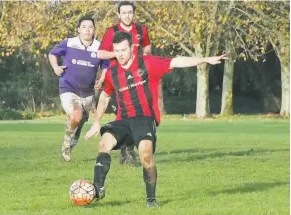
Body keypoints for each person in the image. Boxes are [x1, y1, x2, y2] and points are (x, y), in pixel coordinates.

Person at [84, 31, 228, 207]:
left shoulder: (147, 63)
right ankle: (98, 188)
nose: (120, 54)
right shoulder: (112, 73)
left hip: (144, 118)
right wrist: (97, 121)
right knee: (103, 144)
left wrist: (205, 59)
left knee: (145, 154)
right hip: (123, 119)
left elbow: (176, 61)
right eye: (116, 51)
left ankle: (151, 199)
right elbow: (105, 96)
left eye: (123, 50)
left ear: (132, 48)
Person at [96, 1, 152, 166]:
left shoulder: (141, 30)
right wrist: (119, 51)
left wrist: (146, 55)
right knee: (124, 111)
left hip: (136, 75)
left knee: (137, 110)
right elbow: (100, 53)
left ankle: (127, 150)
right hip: (117, 77)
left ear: (133, 13)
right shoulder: (112, 31)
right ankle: (126, 151)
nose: (127, 15)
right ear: (119, 15)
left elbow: (147, 47)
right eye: (124, 12)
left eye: (130, 12)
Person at [48, 15, 108, 162]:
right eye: (84, 27)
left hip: (87, 93)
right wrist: (56, 67)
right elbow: (52, 54)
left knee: (79, 123)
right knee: (76, 115)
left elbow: (106, 66)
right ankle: (66, 146)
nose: (87, 30)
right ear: (78, 29)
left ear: (94, 30)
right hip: (68, 87)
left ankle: (70, 143)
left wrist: (101, 79)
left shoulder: (100, 47)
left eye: (90, 27)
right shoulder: (69, 43)